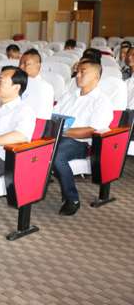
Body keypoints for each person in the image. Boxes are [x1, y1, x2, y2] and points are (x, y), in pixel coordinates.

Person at [51, 60, 113, 216]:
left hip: (79, 144)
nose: (77, 75)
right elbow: (53, 117)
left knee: (56, 155)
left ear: (96, 76)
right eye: (77, 71)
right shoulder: (69, 95)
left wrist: (62, 131)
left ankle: (72, 199)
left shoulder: (101, 102)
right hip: (57, 137)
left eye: (83, 71)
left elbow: (92, 131)